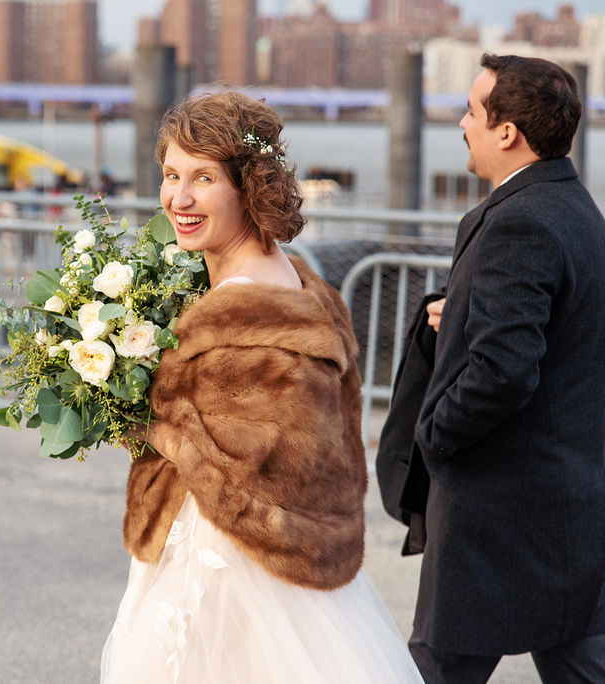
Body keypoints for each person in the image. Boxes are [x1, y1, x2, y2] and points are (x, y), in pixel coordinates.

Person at [100, 91, 422, 683]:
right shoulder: (291, 276)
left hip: (226, 557)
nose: (180, 198)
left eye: (203, 178)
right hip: (233, 544)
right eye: (171, 175)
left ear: (248, 185)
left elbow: (236, 469)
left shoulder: (242, 311)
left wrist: (135, 414)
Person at [408, 54, 605, 683]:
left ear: (507, 131)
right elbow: (550, 327)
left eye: (473, 111)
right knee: (580, 659)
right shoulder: (571, 205)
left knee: (436, 667)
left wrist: (436, 434)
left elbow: (504, 370)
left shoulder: (520, 222)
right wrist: (466, 314)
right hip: (567, 500)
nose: (461, 123)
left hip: (500, 509)